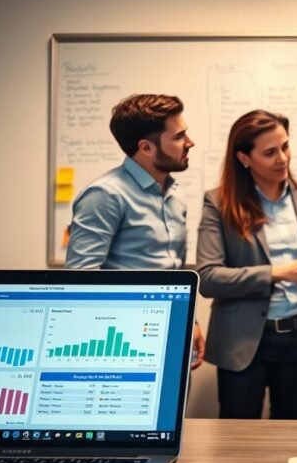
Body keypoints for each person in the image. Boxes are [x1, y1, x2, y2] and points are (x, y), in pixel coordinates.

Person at [197, 110, 297, 419]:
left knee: (294, 440)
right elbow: (208, 277)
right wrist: (275, 273)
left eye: (285, 147)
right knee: (239, 443)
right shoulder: (219, 203)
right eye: (270, 152)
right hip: (244, 341)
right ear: (244, 158)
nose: (283, 158)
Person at [66, 93, 205, 368]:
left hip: (172, 333)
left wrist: (192, 321)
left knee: (173, 410)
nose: (190, 143)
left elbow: (174, 271)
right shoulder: (105, 195)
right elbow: (80, 281)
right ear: (146, 147)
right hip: (122, 342)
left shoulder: (175, 194)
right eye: (179, 137)